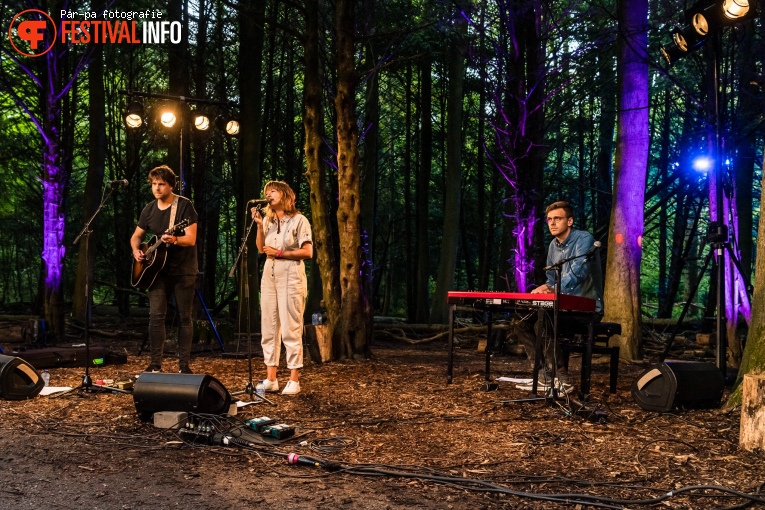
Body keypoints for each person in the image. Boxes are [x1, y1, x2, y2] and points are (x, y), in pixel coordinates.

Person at [515, 200, 604, 391]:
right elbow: (551, 279)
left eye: (557, 218)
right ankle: (543, 375)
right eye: (549, 220)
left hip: (587, 309)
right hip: (561, 307)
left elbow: (577, 274)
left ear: (570, 221)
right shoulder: (553, 246)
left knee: (543, 323)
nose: (552, 223)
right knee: (520, 322)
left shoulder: (584, 239)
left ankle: (562, 378)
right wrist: (542, 289)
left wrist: (553, 289)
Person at [130, 165, 199, 374]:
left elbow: (191, 238)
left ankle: (184, 365)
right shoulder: (149, 209)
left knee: (184, 317)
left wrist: (175, 239)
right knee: (156, 316)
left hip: (183, 270)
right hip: (156, 271)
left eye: (161, 184)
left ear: (171, 186)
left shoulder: (185, 206)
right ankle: (155, 364)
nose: (157, 188)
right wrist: (136, 250)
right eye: (154, 184)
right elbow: (136, 236)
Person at [251, 181, 313, 395]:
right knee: (269, 325)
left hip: (290, 273)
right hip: (270, 273)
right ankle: (271, 378)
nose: (268, 194)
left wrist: (280, 253)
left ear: (285, 195)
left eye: (273, 191)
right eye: (266, 191)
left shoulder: (299, 220)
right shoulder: (268, 220)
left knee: (290, 326)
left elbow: (307, 252)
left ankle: (294, 379)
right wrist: (259, 226)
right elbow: (261, 249)